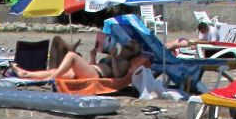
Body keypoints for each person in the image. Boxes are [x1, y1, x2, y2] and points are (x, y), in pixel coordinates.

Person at [13, 35, 150, 86]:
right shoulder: (113, 56)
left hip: (97, 76)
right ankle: (26, 74)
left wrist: (114, 57)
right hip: (92, 70)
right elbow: (98, 66)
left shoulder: (124, 62)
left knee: (72, 56)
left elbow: (117, 75)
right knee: (56, 70)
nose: (125, 47)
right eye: (126, 45)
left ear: (132, 53)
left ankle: (51, 79)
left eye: (129, 47)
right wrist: (92, 57)